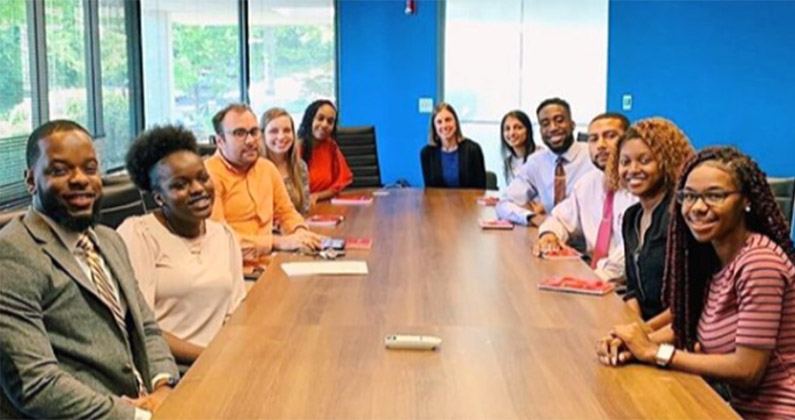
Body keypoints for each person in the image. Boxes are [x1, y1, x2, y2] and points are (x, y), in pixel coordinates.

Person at [598, 147, 795, 420]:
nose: (698, 207)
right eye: (689, 196)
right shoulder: (714, 258)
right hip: (734, 408)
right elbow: (688, 326)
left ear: (746, 201)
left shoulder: (759, 262)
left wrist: (655, 352)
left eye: (715, 195)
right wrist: (632, 344)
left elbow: (748, 370)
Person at [0, 120, 178, 419]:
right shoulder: (12, 254)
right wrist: (137, 416)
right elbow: (36, 383)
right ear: (31, 180)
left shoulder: (108, 240)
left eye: (90, 168)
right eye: (59, 170)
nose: (80, 179)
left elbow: (146, 327)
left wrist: (163, 388)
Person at [118, 125, 246, 367]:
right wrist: (209, 357)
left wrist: (231, 357)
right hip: (167, 368)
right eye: (180, 185)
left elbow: (235, 313)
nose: (198, 189)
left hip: (219, 363)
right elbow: (139, 329)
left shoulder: (224, 235)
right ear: (159, 197)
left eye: (202, 177)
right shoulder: (139, 235)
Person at [206, 103, 323, 268]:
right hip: (233, 273)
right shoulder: (207, 177)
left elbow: (287, 213)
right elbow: (221, 243)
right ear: (220, 141)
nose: (250, 140)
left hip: (269, 266)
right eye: (239, 133)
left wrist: (300, 233)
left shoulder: (267, 168)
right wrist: (278, 243)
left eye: (254, 132)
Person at [605, 117, 694, 321]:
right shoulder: (631, 217)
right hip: (643, 327)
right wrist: (634, 325)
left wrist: (643, 334)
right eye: (625, 162)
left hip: (678, 331)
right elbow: (633, 289)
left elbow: (689, 302)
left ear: (667, 161)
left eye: (644, 161)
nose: (633, 169)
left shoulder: (680, 215)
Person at [536, 112, 637, 281]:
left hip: (623, 285)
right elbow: (560, 218)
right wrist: (549, 235)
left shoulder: (638, 189)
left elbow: (630, 252)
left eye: (610, 136)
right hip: (592, 273)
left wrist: (592, 280)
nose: (601, 145)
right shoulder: (588, 183)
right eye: (593, 139)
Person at [497, 98, 595, 226]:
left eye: (559, 120)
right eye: (545, 123)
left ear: (572, 124)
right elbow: (504, 204)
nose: (553, 128)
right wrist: (531, 217)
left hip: (589, 239)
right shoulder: (537, 162)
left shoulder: (592, 155)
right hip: (551, 237)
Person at [297, 100, 353, 204]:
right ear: (310, 119)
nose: (324, 125)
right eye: (320, 118)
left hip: (324, 204)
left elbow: (340, 183)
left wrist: (317, 196)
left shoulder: (331, 146)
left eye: (330, 121)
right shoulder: (295, 149)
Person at [420, 102, 486, 189]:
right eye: (439, 122)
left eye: (448, 120)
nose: (444, 125)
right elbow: (429, 192)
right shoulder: (427, 154)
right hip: (438, 202)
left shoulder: (473, 150)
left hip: (468, 202)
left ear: (456, 122)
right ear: (434, 127)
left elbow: (480, 190)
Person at [261, 107, 310, 215]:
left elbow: (304, 209)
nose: (281, 136)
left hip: (295, 228)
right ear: (263, 135)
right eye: (274, 131)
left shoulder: (300, 167)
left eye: (287, 130)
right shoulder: (255, 170)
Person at [500, 110, 537, 184]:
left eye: (518, 128)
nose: (512, 133)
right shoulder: (508, 162)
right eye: (507, 129)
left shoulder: (540, 156)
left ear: (528, 130)